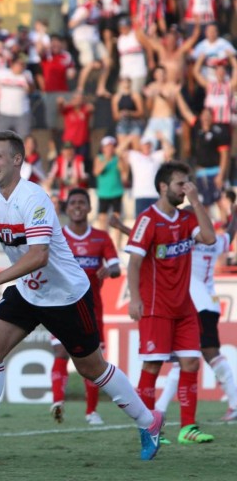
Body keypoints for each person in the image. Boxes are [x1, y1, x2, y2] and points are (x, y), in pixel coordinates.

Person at [0, 130, 164, 461]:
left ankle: (149, 422)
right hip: (27, 290)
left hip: (67, 296)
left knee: (92, 368)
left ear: (18, 160)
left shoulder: (34, 199)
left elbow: (38, 256)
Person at [114, 210, 237, 423]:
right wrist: (235, 215)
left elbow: (156, 245)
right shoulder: (214, 240)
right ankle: (161, 408)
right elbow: (230, 235)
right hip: (210, 303)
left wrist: (123, 228)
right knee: (187, 359)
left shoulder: (188, 238)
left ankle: (234, 403)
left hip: (193, 303)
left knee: (206, 355)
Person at [124, 161, 216, 445]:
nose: (185, 189)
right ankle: (147, 427)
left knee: (190, 362)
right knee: (152, 368)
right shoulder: (148, 220)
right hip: (155, 307)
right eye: (180, 184)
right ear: (163, 187)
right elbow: (134, 263)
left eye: (188, 183)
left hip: (184, 308)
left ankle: (188, 427)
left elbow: (210, 238)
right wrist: (135, 299)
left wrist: (198, 202)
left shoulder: (187, 218)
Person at [50, 188, 121, 426]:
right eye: (73, 203)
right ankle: (58, 402)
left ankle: (92, 411)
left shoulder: (101, 238)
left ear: (90, 208)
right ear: (66, 208)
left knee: (93, 360)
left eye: (82, 202)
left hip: (92, 309)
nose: (78, 206)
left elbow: (116, 267)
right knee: (60, 351)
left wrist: (109, 270)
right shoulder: (56, 236)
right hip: (60, 306)